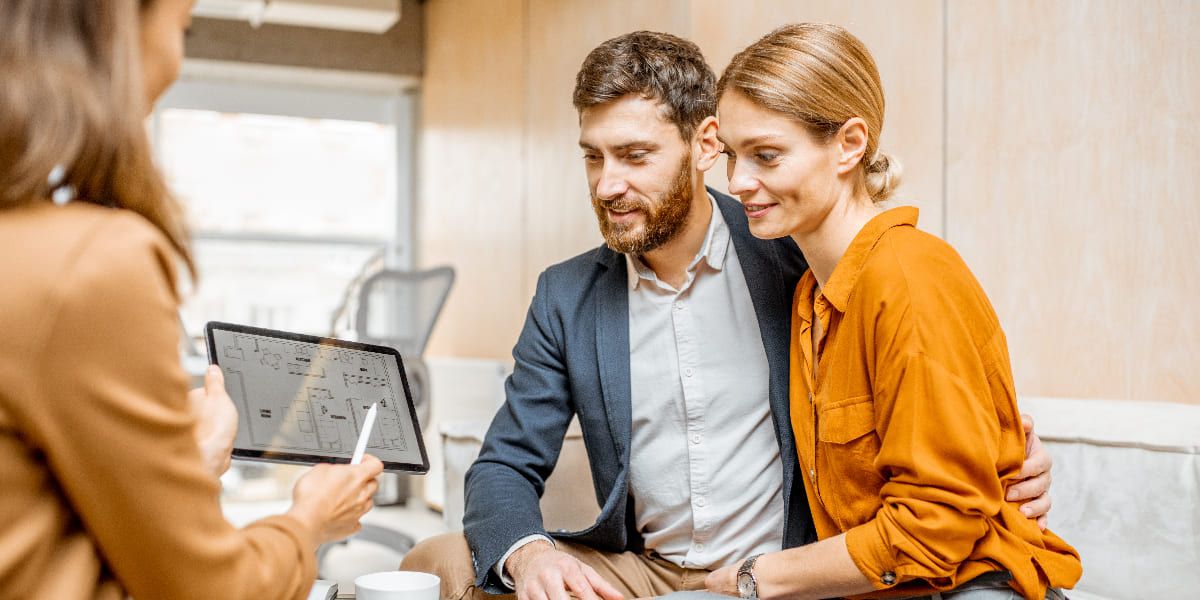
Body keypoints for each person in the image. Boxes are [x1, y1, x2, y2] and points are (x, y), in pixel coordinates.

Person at [401, 31, 1055, 600]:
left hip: (785, 565)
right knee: (435, 563)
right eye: (592, 156)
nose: (606, 185)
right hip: (648, 567)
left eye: (634, 156)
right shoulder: (567, 295)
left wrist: (1005, 458)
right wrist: (530, 554)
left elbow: (919, 370)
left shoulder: (793, 249)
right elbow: (504, 464)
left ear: (704, 143)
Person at [0, 1, 383, 598]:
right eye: (183, 27)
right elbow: (208, 589)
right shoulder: (93, 263)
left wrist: (188, 463)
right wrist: (308, 521)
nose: (178, 59)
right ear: (125, 25)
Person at [703, 23, 1082, 600]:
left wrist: (761, 577)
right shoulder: (811, 293)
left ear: (850, 145)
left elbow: (939, 523)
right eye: (732, 155)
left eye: (767, 156)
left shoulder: (908, 275)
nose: (737, 181)